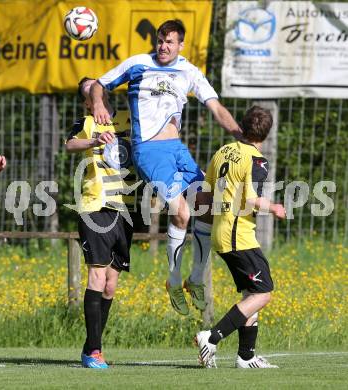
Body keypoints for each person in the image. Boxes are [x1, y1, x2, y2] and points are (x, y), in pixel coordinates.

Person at [90, 19, 241, 316]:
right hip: (149, 151)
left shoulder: (189, 71)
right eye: (160, 40)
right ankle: (173, 281)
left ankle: (195, 279)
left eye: (170, 42)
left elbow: (216, 107)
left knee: (208, 205)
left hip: (178, 151)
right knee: (182, 213)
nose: (163, 46)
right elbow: (98, 84)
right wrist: (97, 102)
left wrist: (241, 136)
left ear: (180, 44)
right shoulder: (138, 64)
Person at [195, 106, 286, 369]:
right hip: (239, 236)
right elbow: (250, 199)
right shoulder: (257, 160)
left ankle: (246, 356)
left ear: (243, 127)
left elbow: (203, 197)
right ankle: (210, 337)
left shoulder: (223, 151)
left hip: (221, 233)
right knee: (264, 293)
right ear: (266, 134)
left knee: (251, 293)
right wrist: (275, 207)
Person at [66, 77, 137, 369]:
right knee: (96, 275)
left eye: (98, 85)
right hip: (95, 205)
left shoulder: (125, 119)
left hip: (125, 208)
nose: (95, 90)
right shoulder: (86, 122)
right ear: (87, 100)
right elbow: (70, 144)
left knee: (110, 284)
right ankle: (95, 350)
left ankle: (90, 347)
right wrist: (94, 140)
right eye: (88, 90)